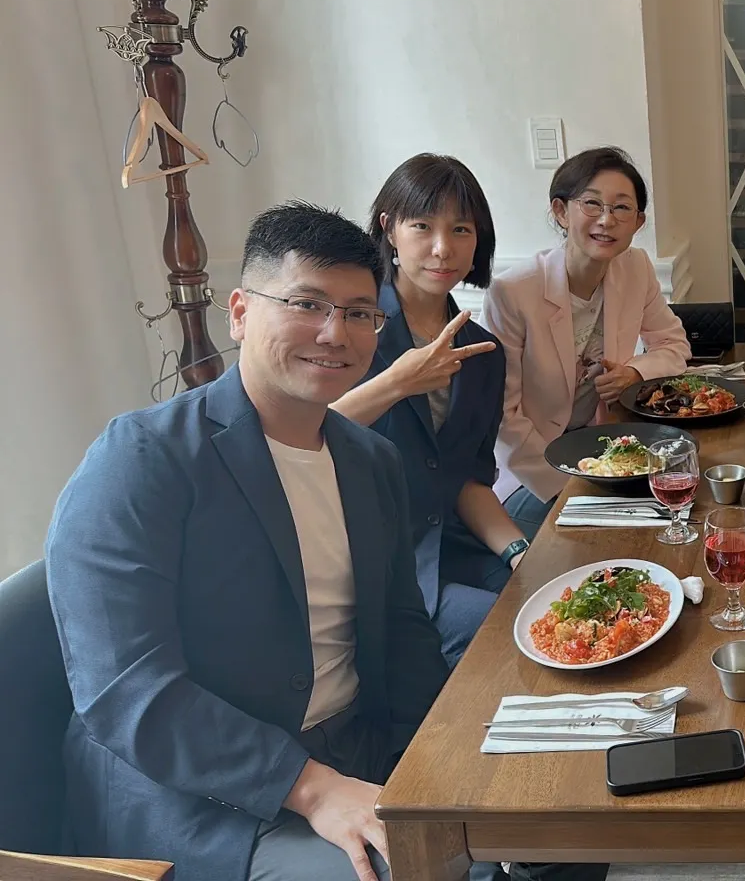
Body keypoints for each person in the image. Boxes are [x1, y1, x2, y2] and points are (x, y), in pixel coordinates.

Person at [44, 202, 449, 881]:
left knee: (526, 824)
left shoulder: (370, 461)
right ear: (238, 312)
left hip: (354, 749)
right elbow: (128, 690)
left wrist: (441, 759)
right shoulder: (142, 459)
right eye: (306, 303)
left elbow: (403, 629)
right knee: (399, 872)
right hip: (200, 794)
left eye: (359, 312)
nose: (335, 333)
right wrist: (312, 788)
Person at [330, 154, 521, 667]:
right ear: (389, 229)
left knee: (559, 600)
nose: (443, 248)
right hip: (373, 568)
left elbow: (467, 482)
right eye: (422, 226)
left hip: (453, 549)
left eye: (461, 229)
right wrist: (397, 383)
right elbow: (297, 437)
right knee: (503, 636)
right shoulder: (345, 329)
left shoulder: (482, 353)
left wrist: (520, 552)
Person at [484, 146, 690, 537]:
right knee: (602, 541)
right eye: (592, 204)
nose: (606, 220)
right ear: (561, 211)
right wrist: (570, 485)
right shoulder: (513, 292)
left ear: (638, 221)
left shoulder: (635, 268)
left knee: (680, 507)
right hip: (532, 469)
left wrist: (634, 372)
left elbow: (674, 345)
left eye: (621, 208)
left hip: (604, 449)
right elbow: (502, 416)